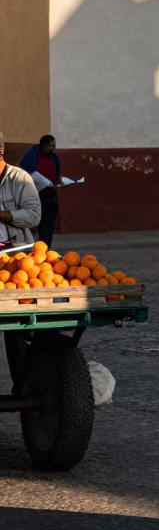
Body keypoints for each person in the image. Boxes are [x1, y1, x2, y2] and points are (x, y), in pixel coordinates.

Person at [0, 132, 42, 391]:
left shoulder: (19, 178)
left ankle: (24, 383)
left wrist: (3, 215)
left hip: (16, 263)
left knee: (14, 323)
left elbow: (34, 215)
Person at [19, 134, 62, 247]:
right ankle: (44, 249)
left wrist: (60, 182)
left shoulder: (54, 158)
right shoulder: (32, 156)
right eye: (50, 146)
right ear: (43, 145)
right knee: (42, 227)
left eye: (54, 146)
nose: (52, 148)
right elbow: (24, 170)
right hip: (37, 197)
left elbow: (57, 174)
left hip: (51, 197)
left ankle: (47, 248)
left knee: (50, 226)